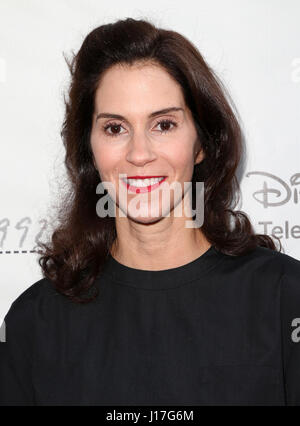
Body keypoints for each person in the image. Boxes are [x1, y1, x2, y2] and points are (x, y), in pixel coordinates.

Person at [0, 17, 300, 406]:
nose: (140, 154)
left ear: (202, 142)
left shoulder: (284, 298)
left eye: (164, 124)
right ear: (89, 147)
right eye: (115, 128)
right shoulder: (34, 323)